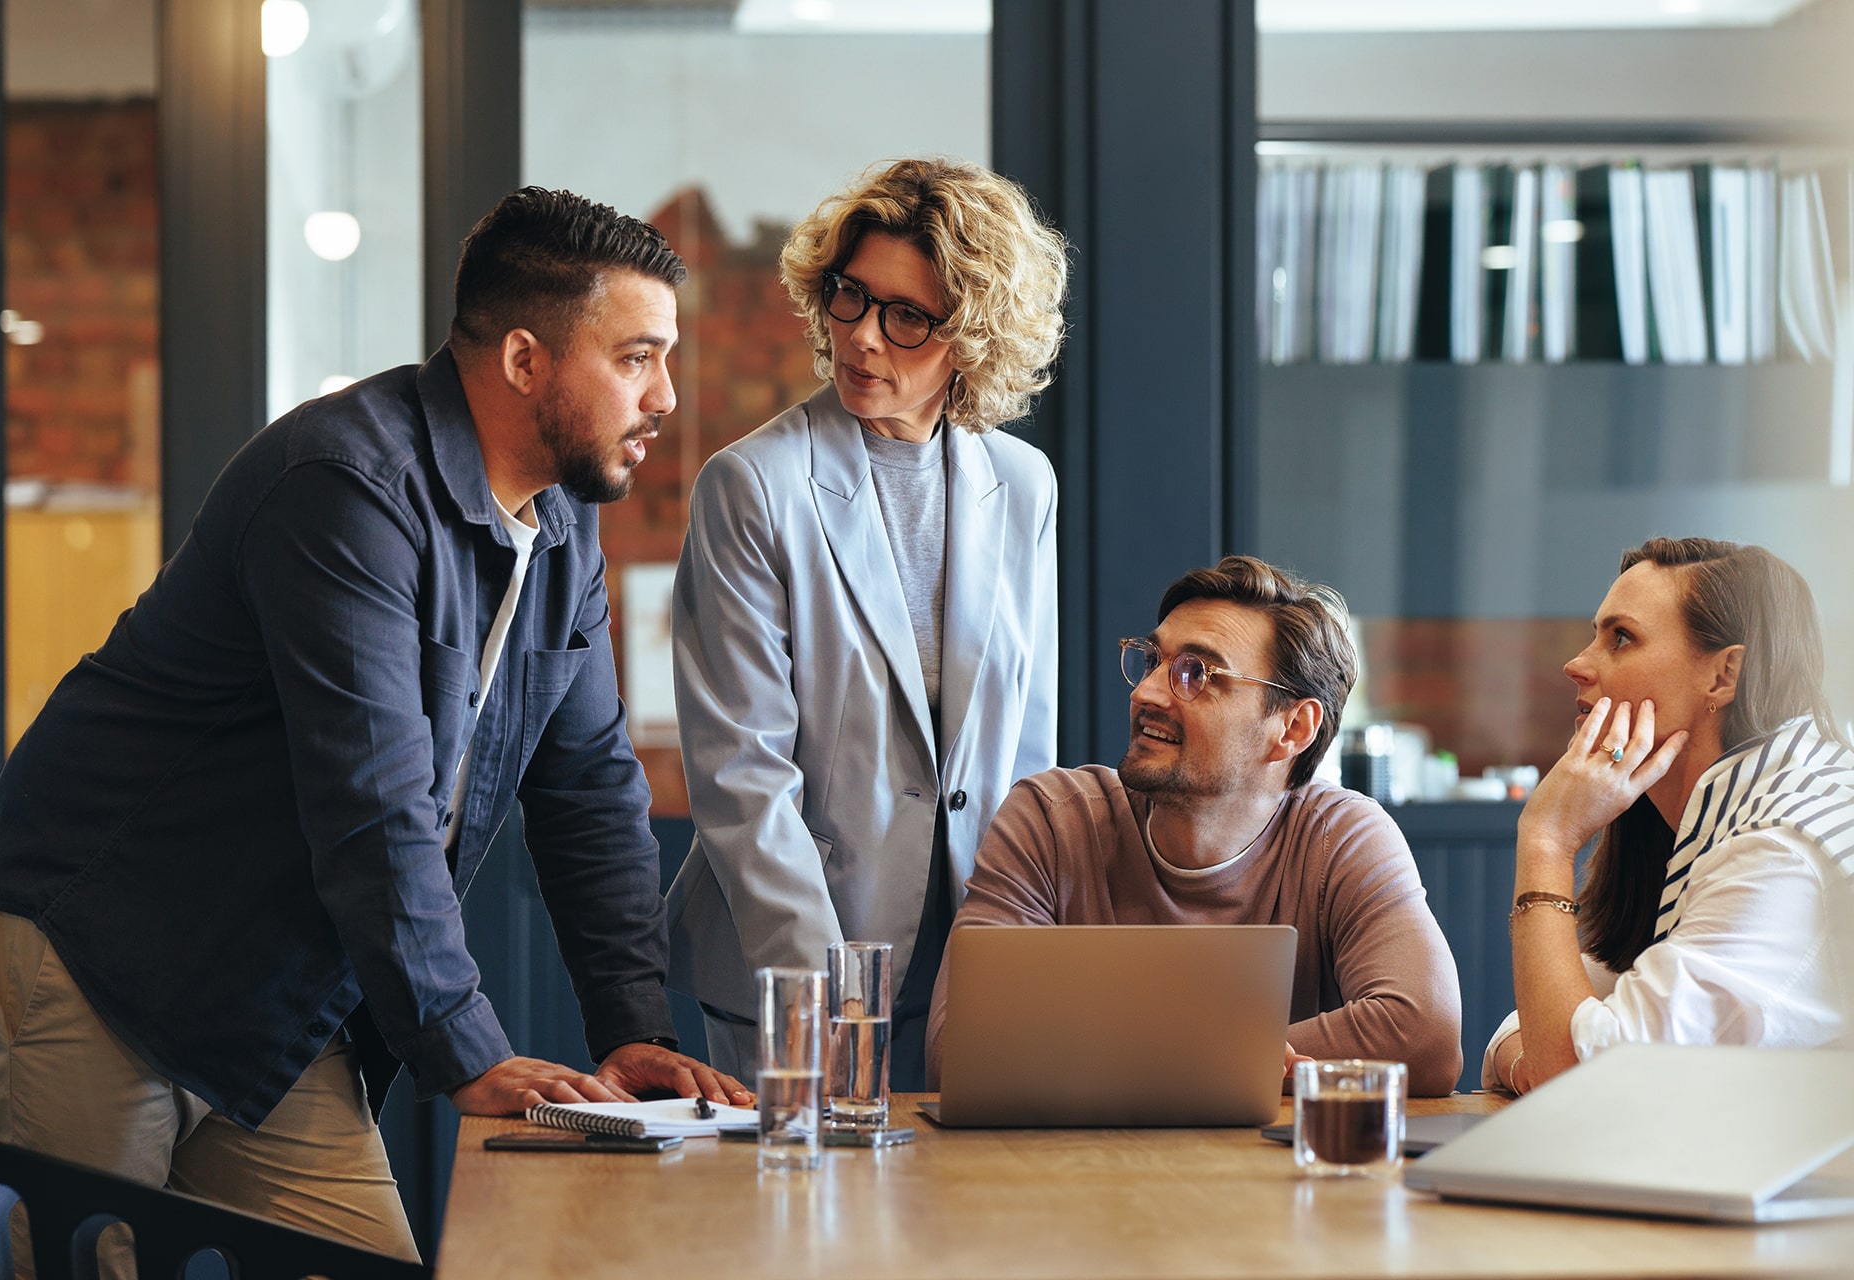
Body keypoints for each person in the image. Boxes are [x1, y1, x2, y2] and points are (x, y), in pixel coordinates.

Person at [0, 188, 747, 1261]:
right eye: (637, 358)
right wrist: (469, 1052)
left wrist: (633, 1031)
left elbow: (590, 787)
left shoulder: (560, 530)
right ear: (523, 360)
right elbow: (374, 804)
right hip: (99, 948)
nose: (664, 395)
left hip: (272, 982)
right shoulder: (346, 488)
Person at [664, 158, 1069, 1088]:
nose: (863, 339)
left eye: (907, 317)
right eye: (850, 298)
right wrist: (822, 999)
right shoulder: (752, 486)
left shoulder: (1024, 486)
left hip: (974, 956)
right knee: (805, 1228)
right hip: (798, 962)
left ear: (974, 335)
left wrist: (1022, 957)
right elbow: (742, 776)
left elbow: (1025, 753)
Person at [924, 557, 1464, 1094]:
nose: (1146, 693)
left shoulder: (1340, 837)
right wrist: (1232, 1059)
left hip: (1273, 1175)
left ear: (1293, 727)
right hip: (1084, 1172)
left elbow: (1425, 1035)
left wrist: (1122, 1063)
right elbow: (960, 1050)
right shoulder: (1051, 819)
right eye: (1153, 660)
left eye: (1196, 673)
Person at [1484, 537, 1854, 1096]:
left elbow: (1589, 1086)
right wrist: (1537, 1056)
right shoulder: (1717, 811)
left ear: (1723, 676)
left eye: (1621, 638)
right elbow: (1547, 1029)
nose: (1576, 664)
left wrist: (1547, 840)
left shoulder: (1779, 854)